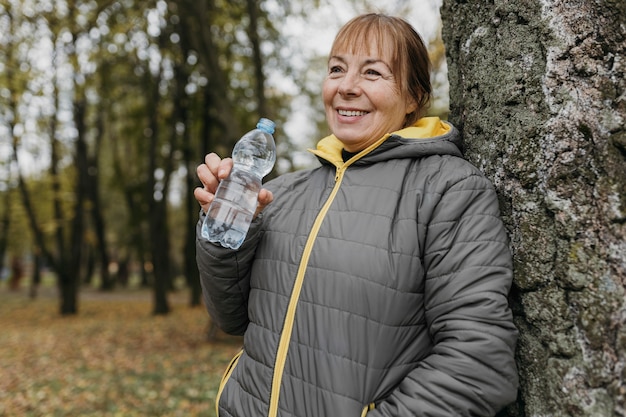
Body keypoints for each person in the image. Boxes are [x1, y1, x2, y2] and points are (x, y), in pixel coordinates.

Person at [195, 13, 518, 417]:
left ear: (414, 97)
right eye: (336, 69)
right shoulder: (282, 192)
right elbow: (231, 317)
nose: (347, 87)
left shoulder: (448, 190)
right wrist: (223, 227)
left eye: (372, 72)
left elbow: (478, 365)